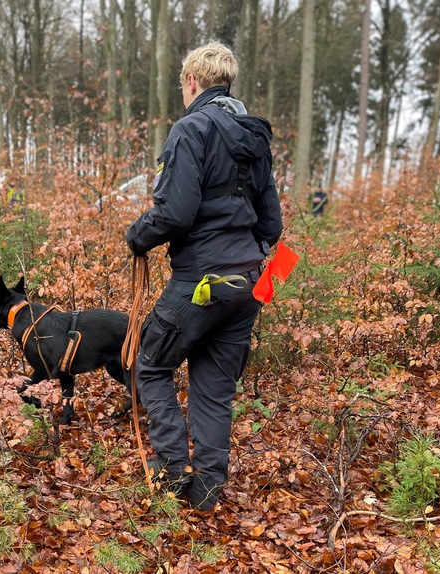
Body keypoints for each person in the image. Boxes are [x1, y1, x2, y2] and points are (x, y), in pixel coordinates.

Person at [126, 41, 283, 510]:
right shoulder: (255, 137)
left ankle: (173, 472)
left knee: (148, 365)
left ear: (191, 82)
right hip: (249, 284)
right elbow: (272, 226)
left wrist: (138, 236)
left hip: (200, 282)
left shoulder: (189, 128)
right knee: (215, 394)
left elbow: (174, 213)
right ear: (227, 84)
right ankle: (208, 493)